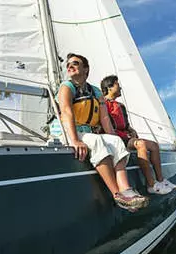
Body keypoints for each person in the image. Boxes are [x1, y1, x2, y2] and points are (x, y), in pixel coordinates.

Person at [49, 53, 149, 211]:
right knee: (96, 141)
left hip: (86, 132)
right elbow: (67, 112)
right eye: (68, 64)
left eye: (75, 63)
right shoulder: (66, 87)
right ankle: (117, 195)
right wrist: (75, 141)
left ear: (86, 69)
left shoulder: (95, 91)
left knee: (115, 141)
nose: (70, 66)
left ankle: (126, 190)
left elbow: (104, 118)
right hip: (67, 131)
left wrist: (115, 140)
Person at [100, 75, 176, 194]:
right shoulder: (102, 103)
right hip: (115, 138)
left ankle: (161, 180)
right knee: (141, 144)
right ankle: (151, 184)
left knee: (154, 145)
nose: (120, 87)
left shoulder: (120, 106)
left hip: (126, 137)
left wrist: (131, 130)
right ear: (109, 87)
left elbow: (126, 124)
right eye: (117, 84)